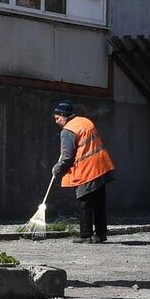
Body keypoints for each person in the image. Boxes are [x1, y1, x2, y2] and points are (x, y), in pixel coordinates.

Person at [50, 101, 117, 243]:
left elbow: (67, 157)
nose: (56, 122)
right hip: (101, 165)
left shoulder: (68, 130)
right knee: (99, 201)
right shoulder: (85, 121)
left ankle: (86, 236)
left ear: (64, 115)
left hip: (86, 169)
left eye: (57, 118)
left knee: (84, 202)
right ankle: (100, 234)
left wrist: (57, 168)